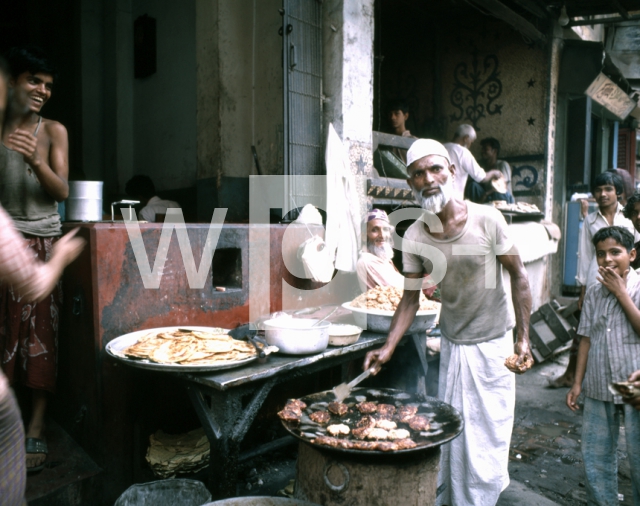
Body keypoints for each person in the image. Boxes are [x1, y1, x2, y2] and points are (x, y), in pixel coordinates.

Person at [364, 139, 533, 506]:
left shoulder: (487, 219)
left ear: (452, 172)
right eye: (418, 174)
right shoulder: (414, 236)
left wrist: (524, 339)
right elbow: (410, 298)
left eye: (435, 169)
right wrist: (387, 347)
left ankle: (482, 500)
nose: (428, 179)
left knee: (487, 437)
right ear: (411, 184)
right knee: (455, 436)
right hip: (455, 345)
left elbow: (519, 275)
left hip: (493, 347)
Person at [0, 55, 84, 504]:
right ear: (12, 82)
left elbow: (62, 191)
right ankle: (6, 422)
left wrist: (34, 160)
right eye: (34, 80)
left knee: (40, 336)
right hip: (4, 244)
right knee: (4, 335)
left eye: (49, 84)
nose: (42, 90)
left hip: (43, 243)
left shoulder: (53, 131)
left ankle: (35, 424)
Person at [566, 226, 640, 505]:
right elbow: (585, 338)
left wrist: (621, 292)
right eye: (600, 254)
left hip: (634, 382)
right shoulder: (595, 293)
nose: (607, 259)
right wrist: (577, 382)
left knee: (638, 454)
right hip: (598, 382)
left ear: (631, 255)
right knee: (596, 456)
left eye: (615, 252)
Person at [550, 172, 637, 388]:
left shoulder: (630, 218)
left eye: (608, 189)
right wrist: (583, 290)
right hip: (596, 279)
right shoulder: (590, 220)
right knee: (587, 328)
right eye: (598, 190)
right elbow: (586, 255)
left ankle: (623, 377)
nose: (603, 194)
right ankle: (576, 375)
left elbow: (633, 250)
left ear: (618, 192)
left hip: (624, 280)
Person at [356, 208, 436, 298]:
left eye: (385, 229)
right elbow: (400, 290)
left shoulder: (382, 260)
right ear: (364, 236)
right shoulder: (367, 261)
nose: (382, 235)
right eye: (375, 230)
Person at [443, 124, 502, 199]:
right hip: (453, 201)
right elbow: (481, 177)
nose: (470, 145)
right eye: (471, 142)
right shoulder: (463, 152)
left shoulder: (440, 147)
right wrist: (494, 172)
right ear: (466, 138)